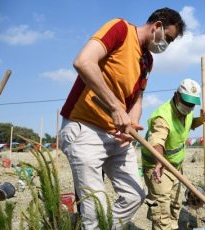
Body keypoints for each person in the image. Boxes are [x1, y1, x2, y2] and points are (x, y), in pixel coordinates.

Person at [58, 8, 185, 229]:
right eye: (169, 39)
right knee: (95, 209)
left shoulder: (147, 60)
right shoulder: (120, 29)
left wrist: (131, 125)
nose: (168, 45)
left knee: (134, 196)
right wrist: (116, 107)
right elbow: (83, 62)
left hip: (116, 136)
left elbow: (137, 99)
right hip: (85, 128)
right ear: (156, 26)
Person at [141, 79, 205, 230]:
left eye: (192, 104)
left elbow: (189, 123)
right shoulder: (162, 116)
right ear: (176, 96)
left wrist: (201, 120)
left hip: (176, 168)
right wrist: (159, 162)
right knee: (162, 211)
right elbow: (157, 142)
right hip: (158, 167)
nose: (189, 107)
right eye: (186, 102)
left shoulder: (186, 112)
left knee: (174, 205)